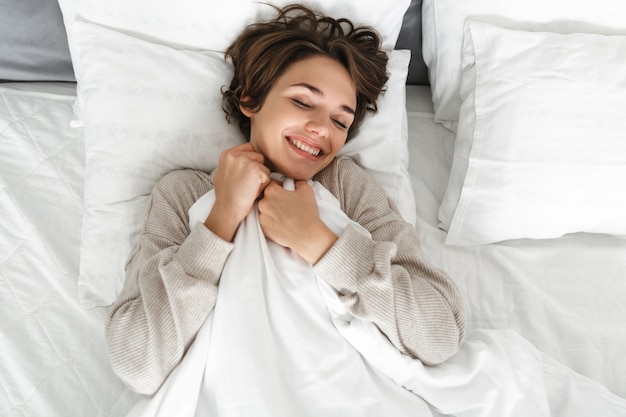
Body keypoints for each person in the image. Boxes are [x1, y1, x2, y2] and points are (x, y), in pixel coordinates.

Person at [105, 4, 466, 397]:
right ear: (249, 99)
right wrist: (221, 219)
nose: (321, 129)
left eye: (340, 121)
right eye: (303, 102)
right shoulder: (183, 194)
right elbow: (138, 364)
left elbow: (440, 335)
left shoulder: (347, 185)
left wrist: (321, 244)